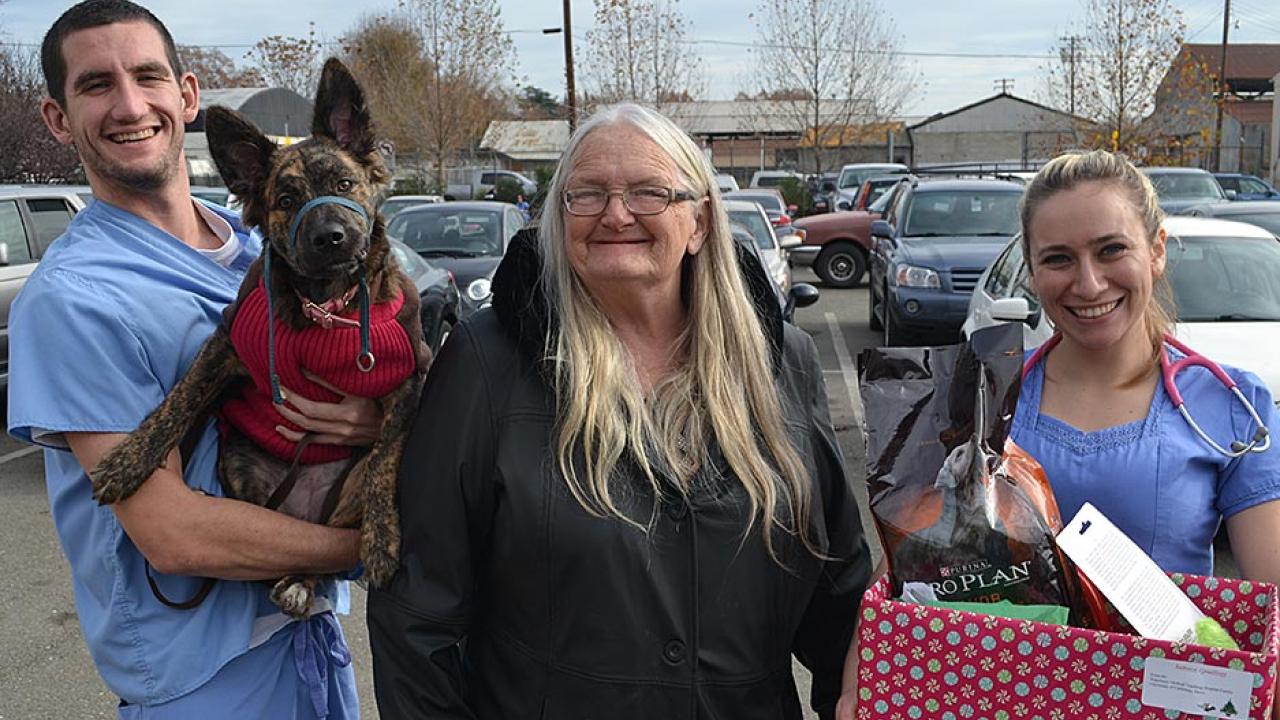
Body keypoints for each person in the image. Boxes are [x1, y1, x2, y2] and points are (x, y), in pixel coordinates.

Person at [367, 103, 871, 719]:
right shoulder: (486, 362)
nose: (614, 213)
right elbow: (417, 616)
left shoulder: (780, 362)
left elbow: (838, 590)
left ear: (699, 224)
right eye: (587, 194)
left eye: (647, 192)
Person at [7, 1, 378, 716]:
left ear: (186, 93)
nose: (129, 104)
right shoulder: (72, 297)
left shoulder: (261, 244)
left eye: (147, 76)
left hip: (310, 645)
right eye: (95, 85)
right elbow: (172, 534)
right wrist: (366, 545)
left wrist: (364, 418)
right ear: (57, 119)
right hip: (207, 685)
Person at [832, 149, 1280, 718]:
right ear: (1032, 269)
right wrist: (858, 683)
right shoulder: (984, 397)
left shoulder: (1229, 406)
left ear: (1157, 251)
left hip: (1163, 704)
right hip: (995, 699)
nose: (1089, 283)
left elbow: (1271, 603)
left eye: (1111, 249)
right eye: (1059, 259)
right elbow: (911, 559)